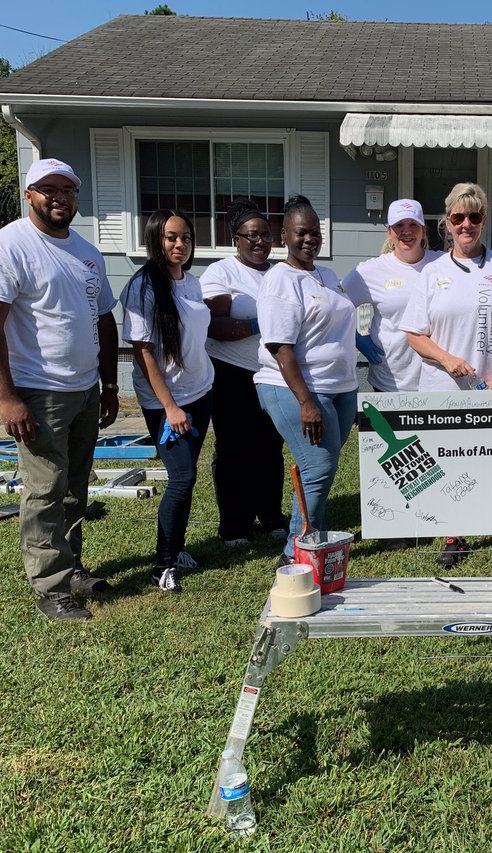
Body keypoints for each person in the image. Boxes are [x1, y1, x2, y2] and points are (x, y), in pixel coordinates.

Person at [0, 158, 119, 623]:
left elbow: (104, 319)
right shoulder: (6, 246)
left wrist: (109, 384)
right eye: (48, 189)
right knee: (44, 488)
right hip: (37, 390)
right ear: (29, 194)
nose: (60, 197)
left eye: (68, 190)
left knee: (74, 486)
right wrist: (8, 397)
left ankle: (70, 567)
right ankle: (50, 587)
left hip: (84, 388)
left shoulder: (85, 251)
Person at [403, 182, 492, 576]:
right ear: (446, 222)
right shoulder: (432, 273)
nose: (466, 224)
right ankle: (454, 535)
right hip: (443, 390)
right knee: (447, 464)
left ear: (483, 221)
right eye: (458, 217)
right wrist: (447, 360)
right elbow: (414, 333)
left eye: (474, 216)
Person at [256, 194, 366, 566]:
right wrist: (306, 402)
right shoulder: (280, 280)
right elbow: (280, 347)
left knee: (317, 466)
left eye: (315, 232)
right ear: (284, 235)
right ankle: (296, 553)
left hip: (339, 388)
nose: (309, 239)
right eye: (301, 233)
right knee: (318, 466)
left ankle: (308, 536)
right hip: (296, 389)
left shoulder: (327, 275)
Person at [121, 209, 214, 592]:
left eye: (187, 237)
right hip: (167, 403)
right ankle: (163, 564)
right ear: (156, 240)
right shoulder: (143, 287)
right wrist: (170, 407)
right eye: (172, 237)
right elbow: (143, 353)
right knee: (182, 478)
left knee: (187, 479)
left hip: (201, 393)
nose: (180, 244)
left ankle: (176, 550)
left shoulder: (191, 284)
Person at [199, 199, 288, 546]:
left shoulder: (280, 272)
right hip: (231, 374)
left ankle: (270, 516)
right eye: (250, 235)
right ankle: (235, 526)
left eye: (265, 235)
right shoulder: (222, 273)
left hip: (272, 374)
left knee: (270, 446)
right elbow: (213, 325)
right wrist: (259, 323)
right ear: (236, 238)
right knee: (234, 448)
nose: (259, 242)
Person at [342, 198, 442, 393]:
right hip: (389, 381)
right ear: (389, 232)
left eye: (413, 224)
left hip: (437, 380)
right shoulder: (371, 270)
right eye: (399, 225)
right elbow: (335, 306)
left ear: (423, 229)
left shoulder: (443, 264)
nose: (407, 231)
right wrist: (356, 337)